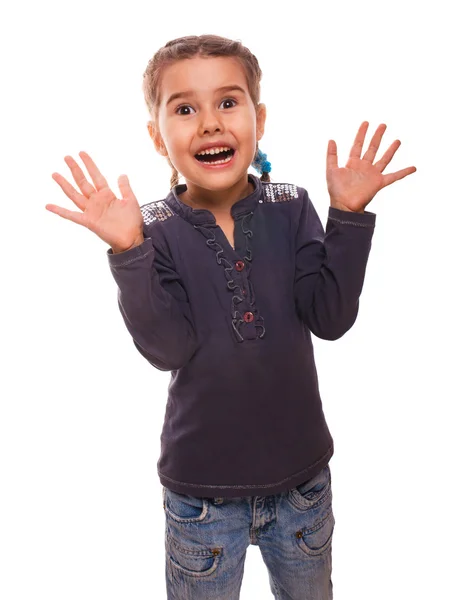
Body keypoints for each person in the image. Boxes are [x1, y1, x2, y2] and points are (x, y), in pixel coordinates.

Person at [46, 34, 416, 600]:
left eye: (228, 102)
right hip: (202, 499)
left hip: (303, 485)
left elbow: (331, 317)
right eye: (185, 108)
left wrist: (348, 216)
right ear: (156, 136)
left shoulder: (290, 205)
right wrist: (128, 250)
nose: (210, 123)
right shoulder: (153, 230)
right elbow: (166, 349)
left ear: (258, 118)